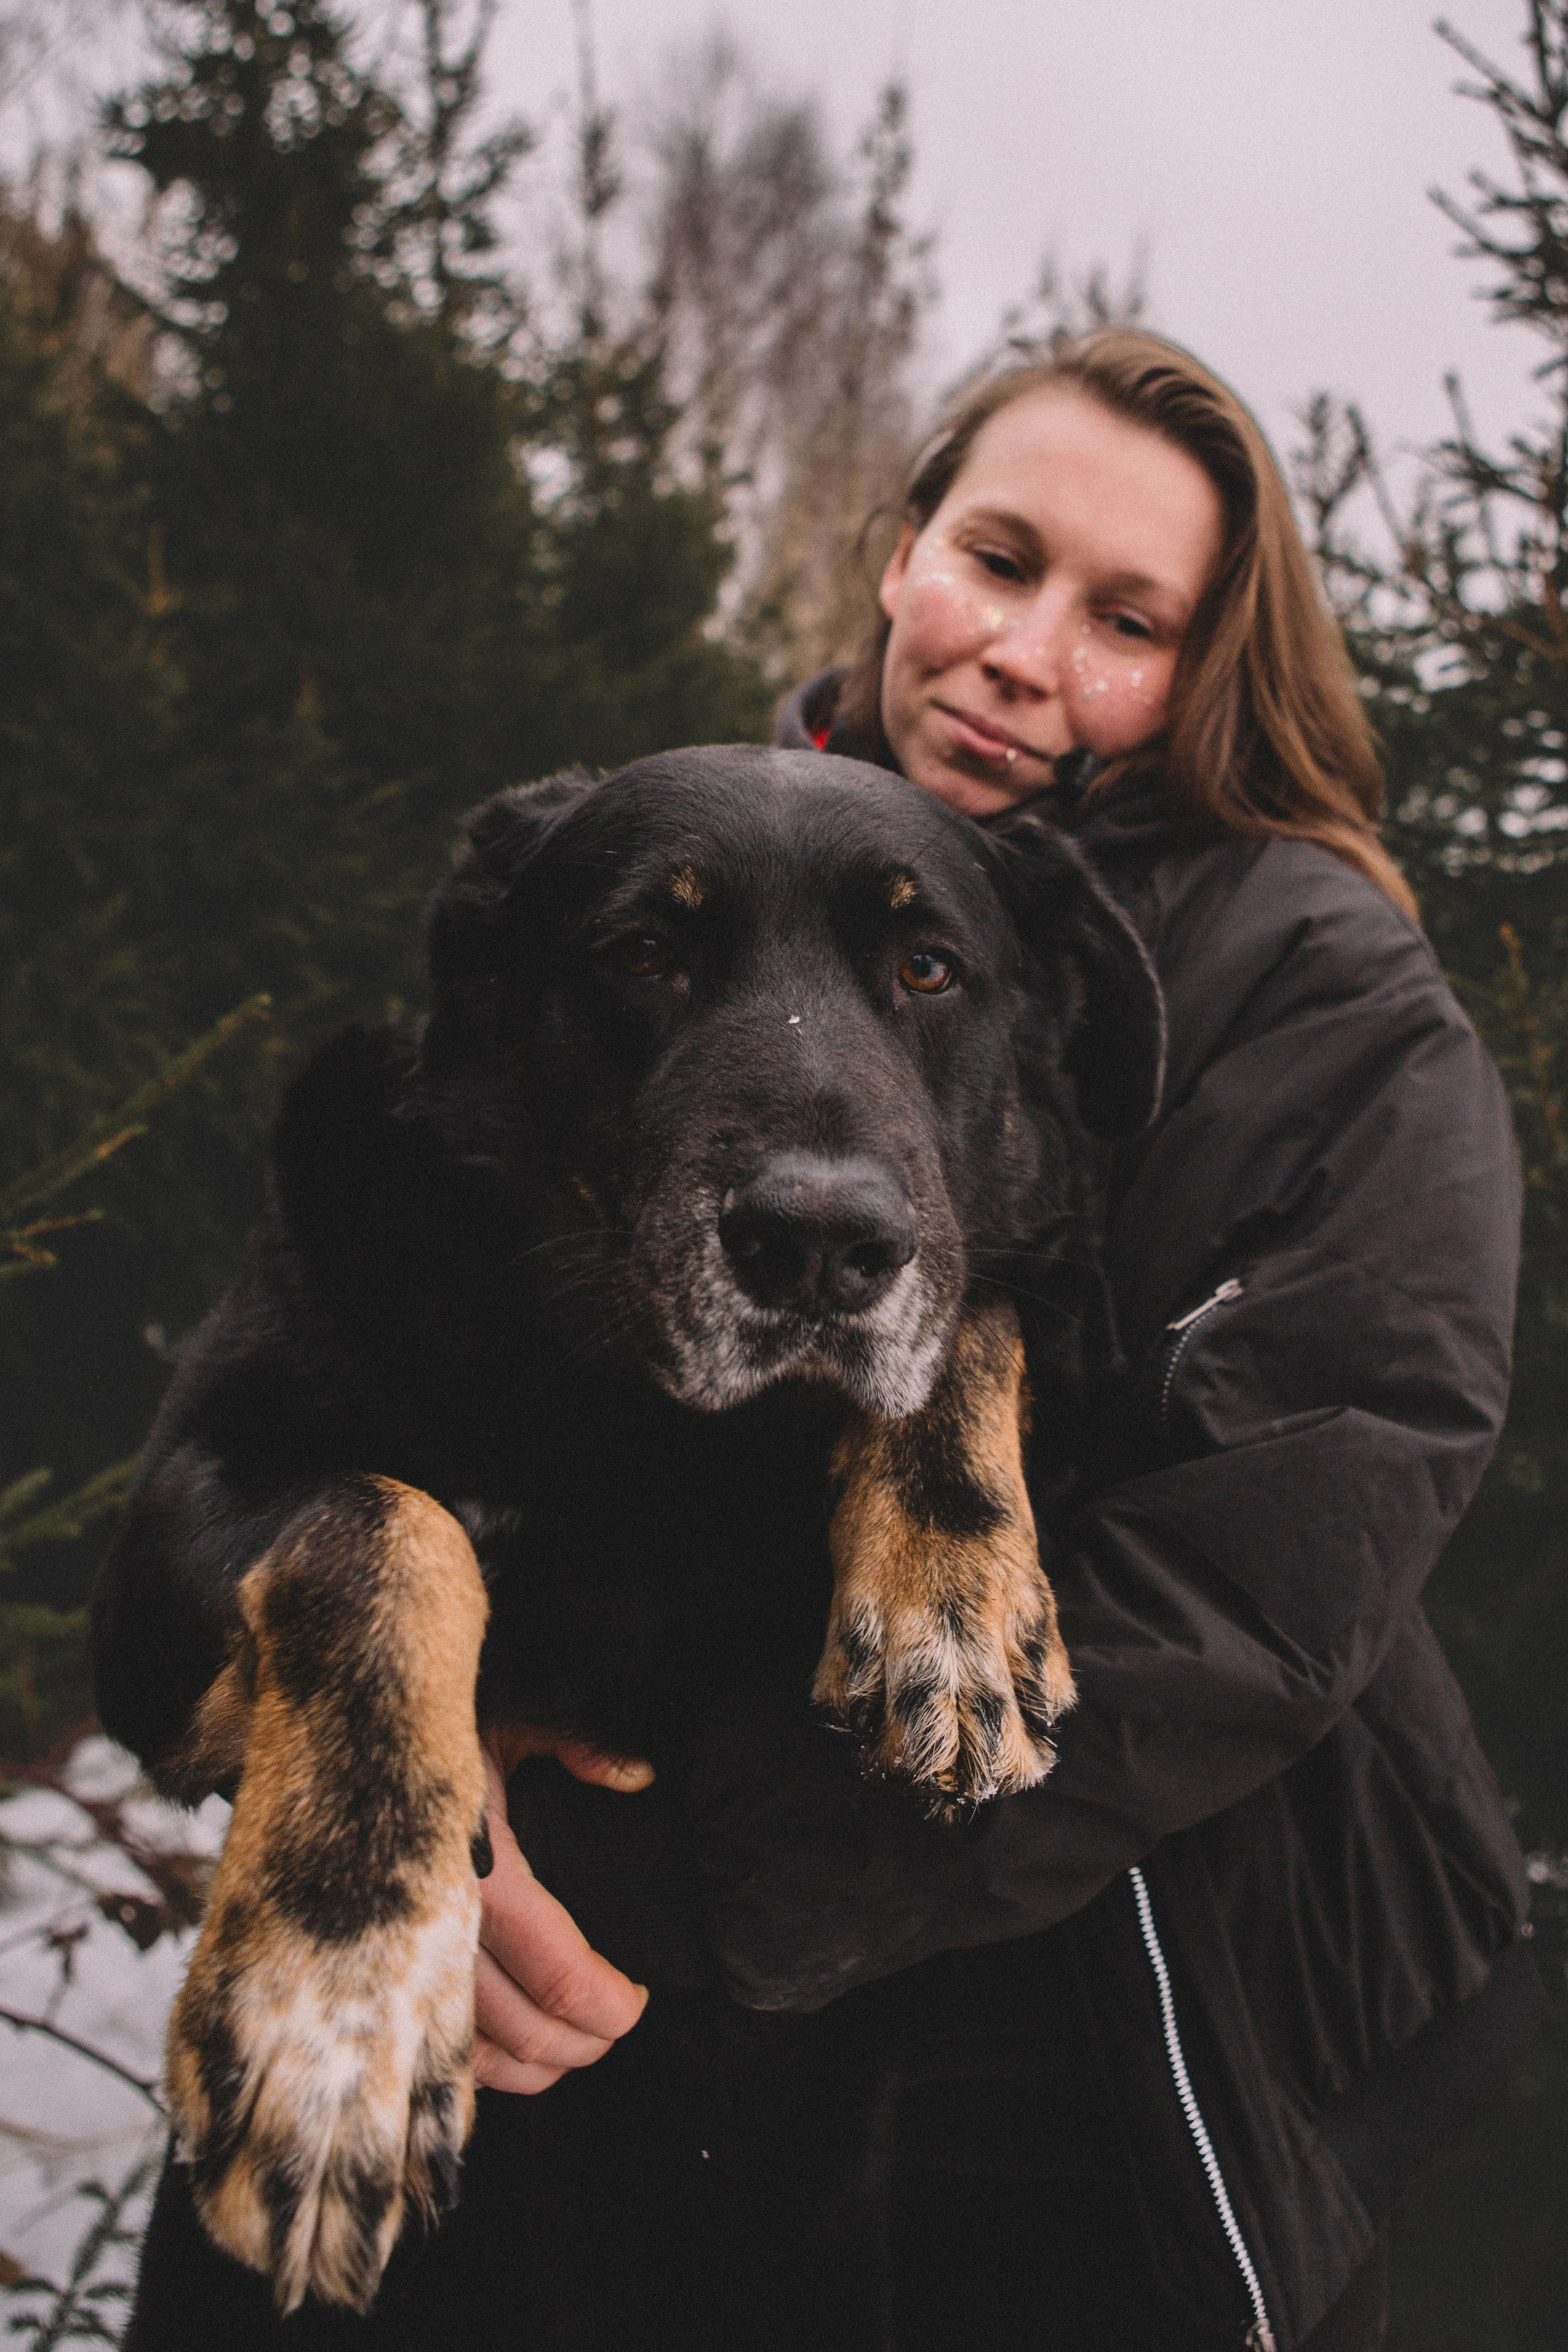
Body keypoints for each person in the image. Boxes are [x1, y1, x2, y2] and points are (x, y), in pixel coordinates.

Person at [126, 333, 1539, 2352]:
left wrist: (674, 1855)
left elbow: (1302, 1524)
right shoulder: (668, 847)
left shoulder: (1320, 982)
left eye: (1126, 618)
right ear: (901, 551)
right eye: (999, 556)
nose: (1023, 651)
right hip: (701, 1990)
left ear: (1212, 665)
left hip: (1129, 1975)